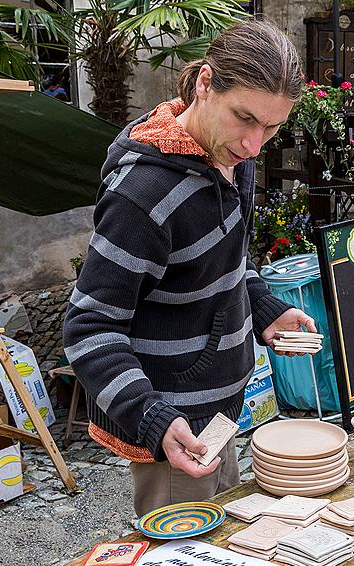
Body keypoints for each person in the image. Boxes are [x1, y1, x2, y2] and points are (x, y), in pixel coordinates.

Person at [63, 19, 313, 516]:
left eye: (272, 127)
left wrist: (263, 308)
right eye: (245, 118)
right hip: (171, 426)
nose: (254, 144)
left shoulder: (235, 156)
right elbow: (88, 327)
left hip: (219, 413)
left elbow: (228, 260)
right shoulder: (143, 196)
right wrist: (153, 418)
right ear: (204, 83)